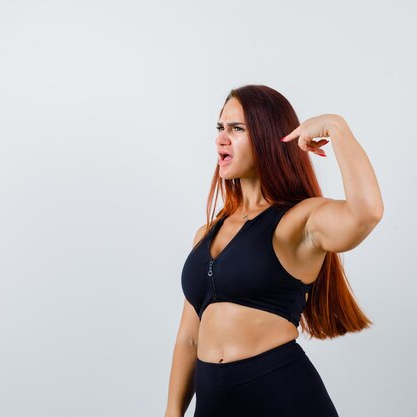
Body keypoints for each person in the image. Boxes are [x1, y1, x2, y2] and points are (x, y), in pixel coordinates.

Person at [164, 84, 383, 417]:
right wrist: (172, 413)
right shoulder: (206, 234)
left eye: (236, 129)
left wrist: (337, 127)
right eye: (220, 128)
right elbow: (189, 340)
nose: (222, 138)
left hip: (282, 399)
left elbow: (367, 212)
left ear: (267, 139)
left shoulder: (298, 221)